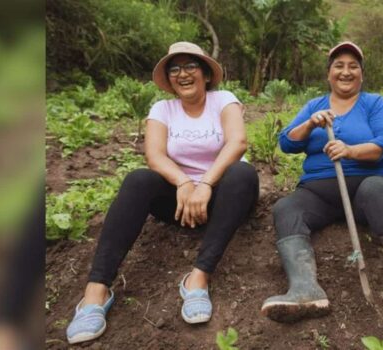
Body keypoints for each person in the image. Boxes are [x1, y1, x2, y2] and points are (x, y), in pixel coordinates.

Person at [66, 42, 259, 344]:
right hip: (181, 204)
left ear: (206, 74)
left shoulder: (224, 100)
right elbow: (154, 156)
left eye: (190, 66)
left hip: (226, 200)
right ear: (169, 79)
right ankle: (95, 292)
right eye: (175, 69)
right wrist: (184, 183)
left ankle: (198, 278)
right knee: (138, 180)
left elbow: (238, 143)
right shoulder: (162, 109)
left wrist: (206, 184)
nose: (183, 74)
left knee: (243, 173)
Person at [260, 42, 383, 329]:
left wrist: (351, 151)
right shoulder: (314, 106)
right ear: (329, 73)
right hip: (319, 192)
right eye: (338, 66)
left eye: (353, 66)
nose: (346, 71)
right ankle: (305, 288)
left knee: (375, 190)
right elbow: (286, 143)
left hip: (369, 187)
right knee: (287, 207)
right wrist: (309, 125)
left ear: (361, 75)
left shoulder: (373, 103)